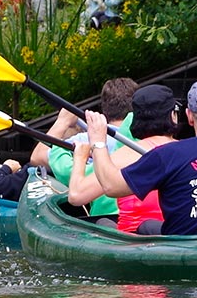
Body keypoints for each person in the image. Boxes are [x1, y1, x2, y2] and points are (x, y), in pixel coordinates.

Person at [83, 78, 197, 235]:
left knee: (106, 225)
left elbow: (110, 186)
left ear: (188, 116)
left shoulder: (168, 155)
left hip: (188, 255)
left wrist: (98, 141)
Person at [63, 84, 176, 233]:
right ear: (173, 116)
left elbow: (76, 196)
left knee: (102, 222)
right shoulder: (185, 152)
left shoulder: (127, 155)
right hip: (174, 233)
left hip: (134, 239)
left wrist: (80, 157)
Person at [30, 78, 137, 220]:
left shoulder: (84, 140)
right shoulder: (150, 141)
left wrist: (63, 122)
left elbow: (37, 157)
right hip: (147, 224)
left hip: (107, 222)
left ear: (104, 108)